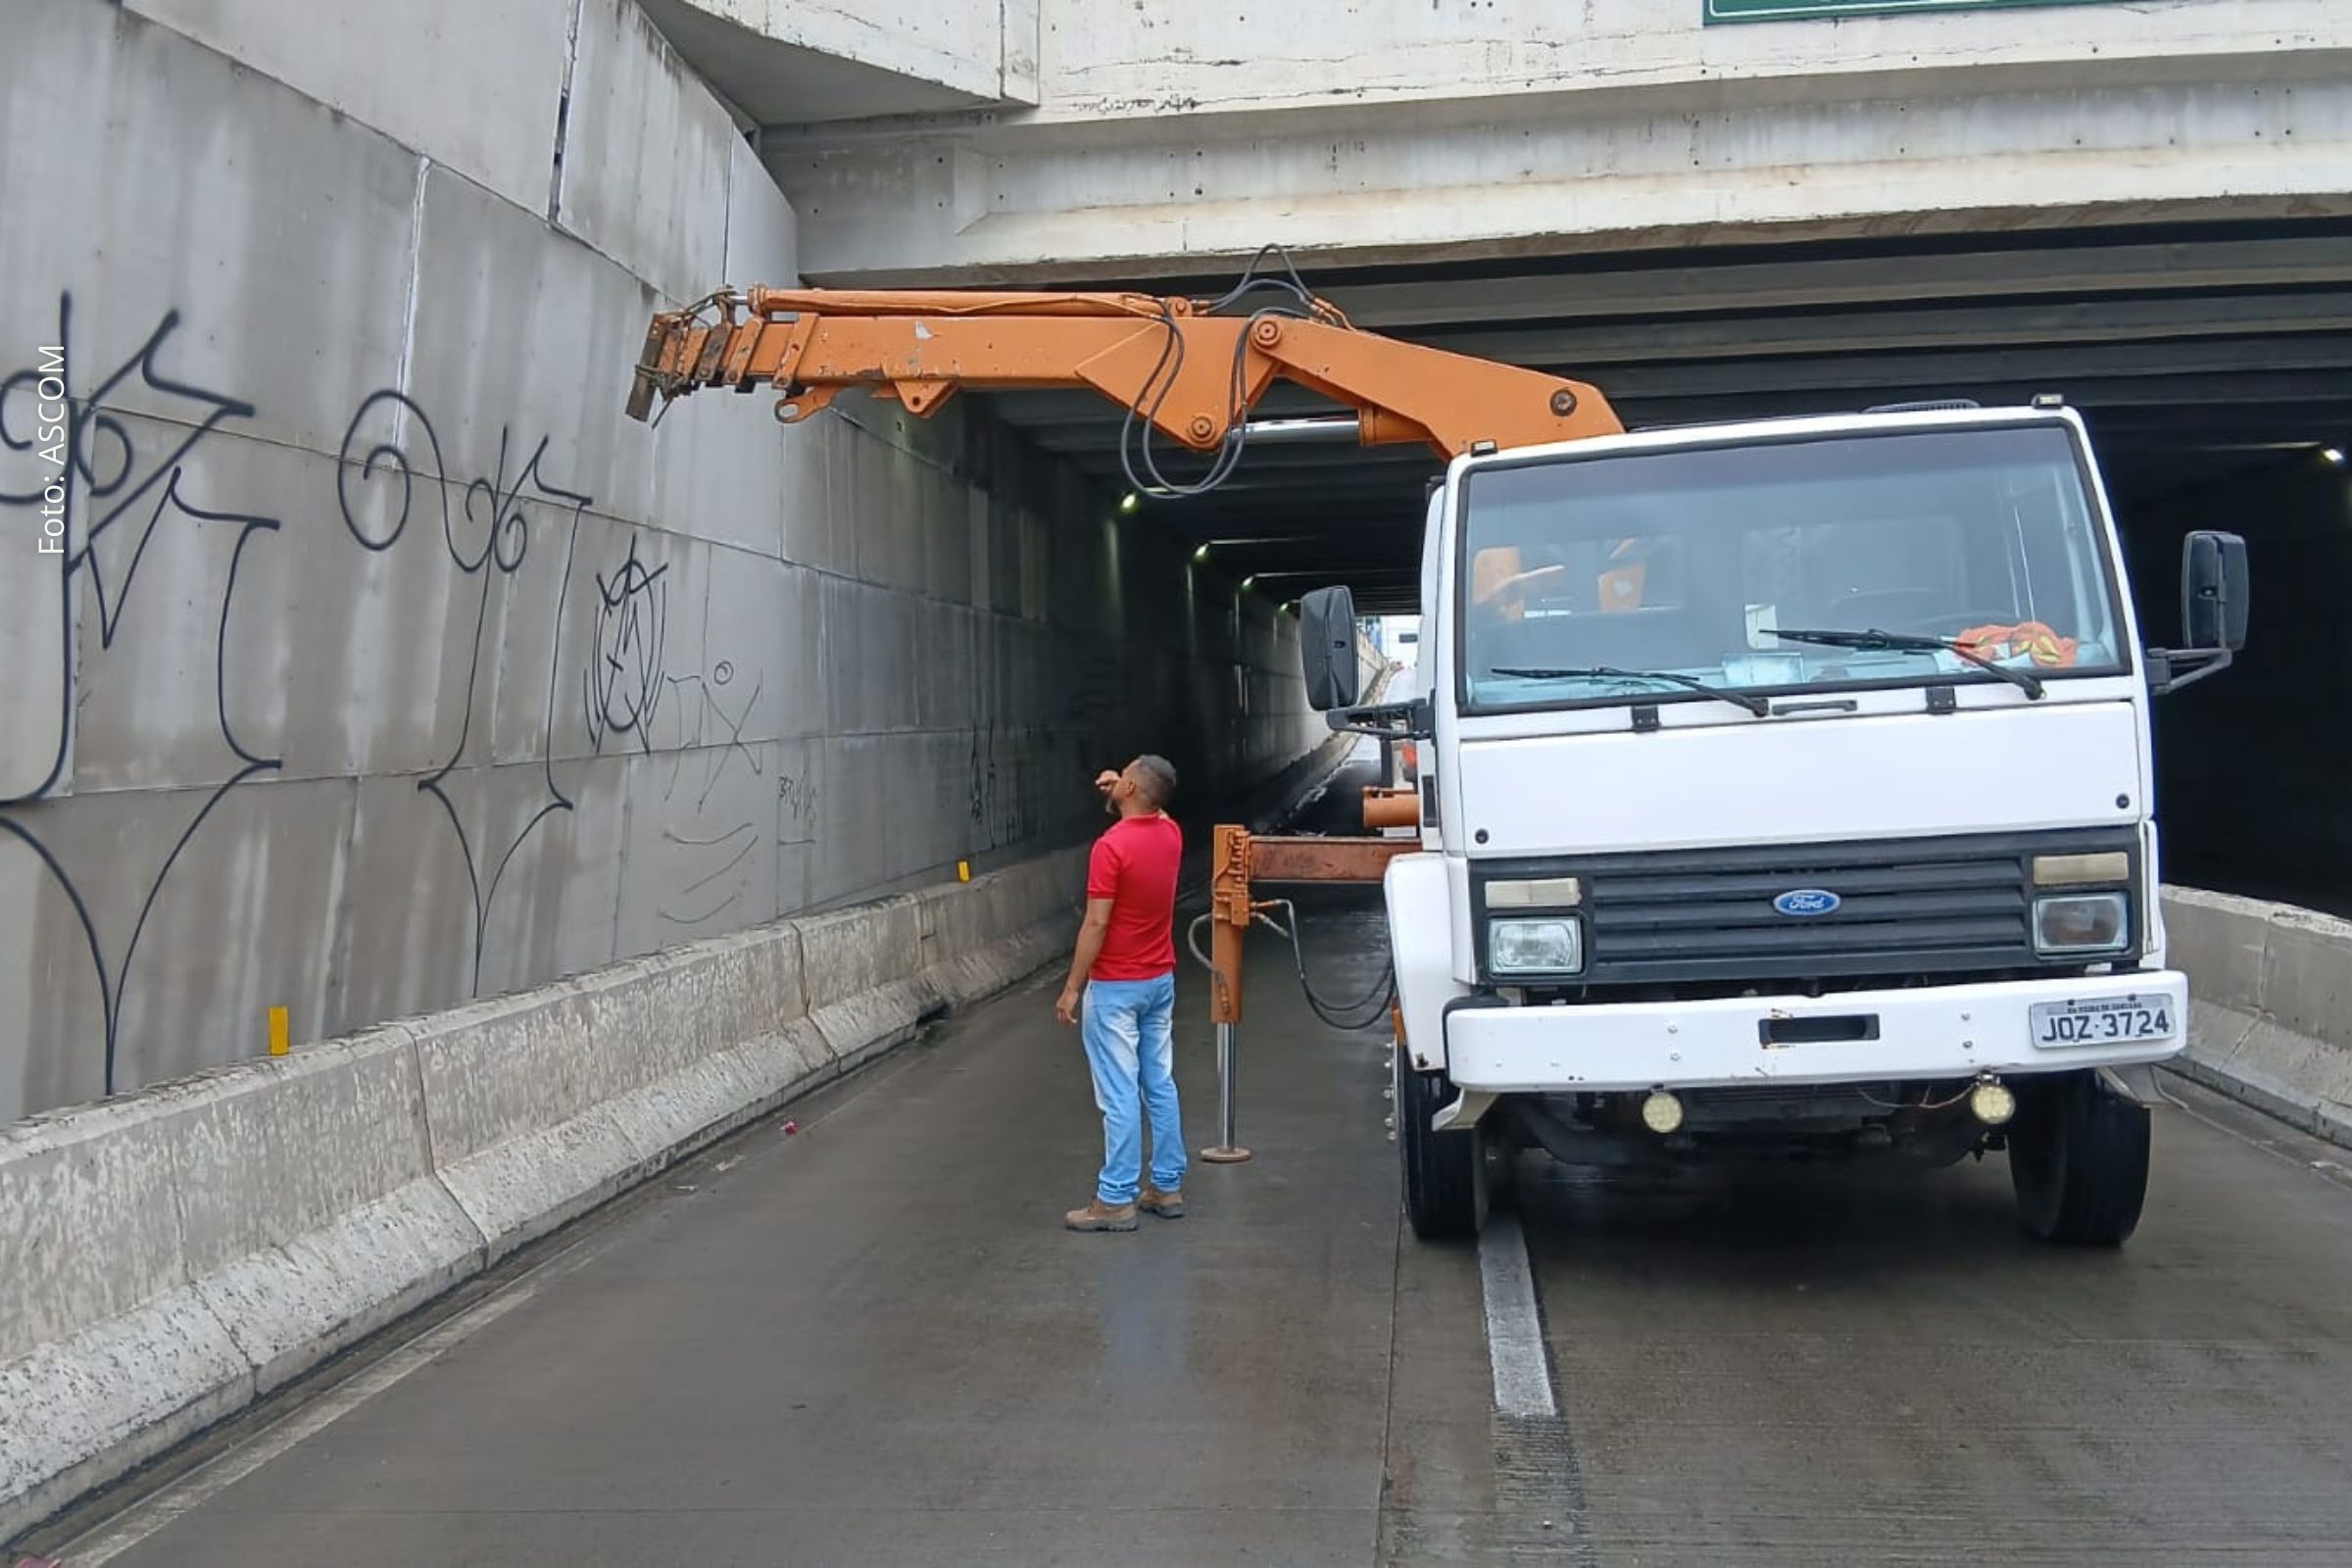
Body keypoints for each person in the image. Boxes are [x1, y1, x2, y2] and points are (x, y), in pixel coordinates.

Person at [1054, 756, 1185, 1232]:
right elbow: (1157, 807)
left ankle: (1115, 1197)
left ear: (1129, 786)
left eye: (1121, 777)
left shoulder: (1110, 848)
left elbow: (1097, 921)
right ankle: (1166, 1186)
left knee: (1118, 1092)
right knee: (1159, 1083)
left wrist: (1073, 987)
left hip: (1115, 986)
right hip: (1160, 980)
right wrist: (1122, 789)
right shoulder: (1171, 835)